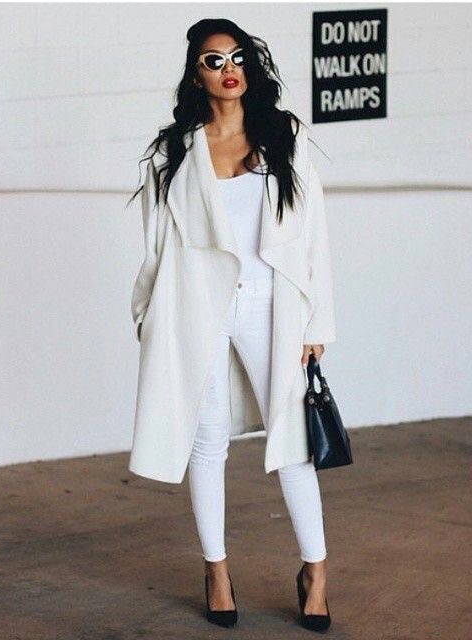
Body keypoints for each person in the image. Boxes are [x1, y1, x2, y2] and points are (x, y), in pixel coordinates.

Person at [127, 18, 337, 633]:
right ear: (196, 75)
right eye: (214, 61)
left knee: (293, 440)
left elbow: (314, 236)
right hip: (197, 307)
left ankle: (316, 572)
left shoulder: (282, 138)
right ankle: (217, 570)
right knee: (207, 439)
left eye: (238, 57)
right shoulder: (175, 153)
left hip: (270, 303)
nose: (229, 70)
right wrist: (147, 317)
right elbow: (156, 246)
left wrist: (316, 320)